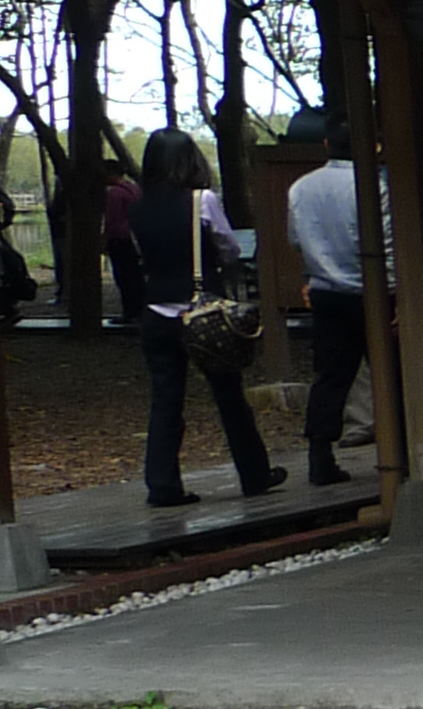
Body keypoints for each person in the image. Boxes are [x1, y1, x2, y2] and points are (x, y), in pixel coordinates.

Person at [107, 127, 279, 507]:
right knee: (230, 397)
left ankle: (163, 485)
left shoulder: (137, 208)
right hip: (203, 314)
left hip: (156, 312)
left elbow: (142, 253)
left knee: (166, 402)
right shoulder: (202, 200)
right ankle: (254, 474)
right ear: (190, 160)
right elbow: (229, 248)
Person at [285, 129, 371, 488]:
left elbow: (295, 239)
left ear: (325, 144)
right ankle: (404, 444)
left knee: (330, 376)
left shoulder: (300, 188)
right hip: (370, 290)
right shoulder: (373, 185)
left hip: (324, 289)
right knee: (394, 370)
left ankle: (320, 455)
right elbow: (386, 239)